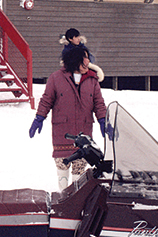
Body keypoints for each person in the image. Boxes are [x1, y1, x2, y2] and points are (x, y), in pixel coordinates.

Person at [29, 44, 107, 190]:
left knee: (80, 168)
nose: (87, 63)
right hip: (63, 132)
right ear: (74, 61)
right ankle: (63, 195)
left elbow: (99, 103)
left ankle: (76, 198)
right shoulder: (56, 78)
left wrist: (103, 120)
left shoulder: (92, 80)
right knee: (62, 166)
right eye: (84, 60)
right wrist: (39, 118)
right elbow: (46, 100)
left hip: (84, 131)